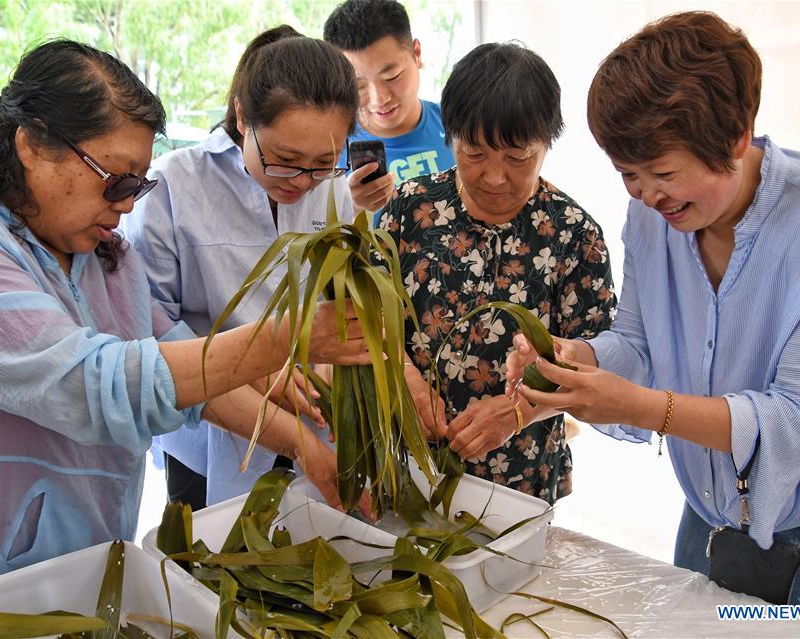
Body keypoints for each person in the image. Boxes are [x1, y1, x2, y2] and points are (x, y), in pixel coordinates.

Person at [505, 12, 800, 635]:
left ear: (736, 137)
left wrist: (641, 407)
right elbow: (640, 342)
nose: (647, 195)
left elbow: (796, 418)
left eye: (664, 174)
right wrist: (580, 361)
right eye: (628, 173)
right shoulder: (652, 217)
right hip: (708, 516)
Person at [0, 39, 370, 582]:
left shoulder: (108, 260)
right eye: (116, 179)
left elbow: (185, 366)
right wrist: (286, 338)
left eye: (137, 183)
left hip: (94, 550)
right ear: (33, 144)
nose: (128, 203)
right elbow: (95, 382)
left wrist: (301, 443)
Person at [123, 27, 359, 508]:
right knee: (209, 559)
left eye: (323, 163)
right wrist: (252, 369)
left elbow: (339, 300)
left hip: (316, 414)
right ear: (241, 118)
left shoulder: (337, 191)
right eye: (284, 160)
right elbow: (147, 322)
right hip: (210, 428)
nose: (302, 181)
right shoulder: (175, 185)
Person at [379, 42, 617, 505]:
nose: (493, 176)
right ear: (450, 137)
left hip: (523, 473)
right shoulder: (408, 210)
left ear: (547, 144)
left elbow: (597, 359)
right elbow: (364, 318)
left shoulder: (572, 233)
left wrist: (517, 411)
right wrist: (402, 376)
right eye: (474, 153)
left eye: (517, 157)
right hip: (408, 463)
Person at [324, 0, 454, 216]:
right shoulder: (329, 150)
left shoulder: (459, 125)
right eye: (358, 85)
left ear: (417, 53)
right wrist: (349, 206)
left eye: (391, 76)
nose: (379, 99)